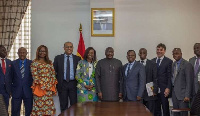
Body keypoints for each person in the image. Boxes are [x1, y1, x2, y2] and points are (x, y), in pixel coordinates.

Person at [53, 42, 81, 112]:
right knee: (63, 105)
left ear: (73, 48)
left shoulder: (77, 58)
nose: (69, 48)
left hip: (73, 84)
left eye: (71, 47)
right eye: (67, 47)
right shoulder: (58, 58)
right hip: (62, 84)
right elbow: (54, 72)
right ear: (64, 48)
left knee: (74, 105)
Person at [31, 45, 57, 116]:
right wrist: (43, 85)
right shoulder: (34, 62)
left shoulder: (49, 62)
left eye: (44, 51)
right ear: (38, 52)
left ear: (46, 52)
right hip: (39, 89)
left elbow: (53, 75)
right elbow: (35, 76)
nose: (42, 52)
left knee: (49, 108)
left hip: (48, 89)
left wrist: (50, 85)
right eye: (41, 51)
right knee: (39, 108)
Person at [152, 43, 172, 116]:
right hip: (155, 90)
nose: (159, 51)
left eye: (161, 50)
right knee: (156, 109)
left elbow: (170, 76)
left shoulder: (169, 61)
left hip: (164, 89)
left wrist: (168, 88)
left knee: (165, 109)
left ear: (164, 51)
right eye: (157, 49)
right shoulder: (152, 61)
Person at [11, 47, 33, 116]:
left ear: (26, 53)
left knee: (29, 111)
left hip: (28, 91)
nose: (22, 54)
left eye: (23, 52)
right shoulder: (13, 63)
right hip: (16, 92)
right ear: (17, 53)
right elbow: (10, 78)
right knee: (15, 111)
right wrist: (11, 90)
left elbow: (34, 77)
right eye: (20, 52)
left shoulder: (32, 63)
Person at [171, 48, 193, 116]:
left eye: (177, 53)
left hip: (183, 95)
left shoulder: (187, 64)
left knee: (183, 114)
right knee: (176, 113)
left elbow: (189, 81)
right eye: (174, 54)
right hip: (174, 95)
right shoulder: (173, 64)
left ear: (181, 54)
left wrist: (187, 95)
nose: (175, 55)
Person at [138, 48, 158, 114]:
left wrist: (155, 90)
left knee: (150, 112)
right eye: (140, 53)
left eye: (144, 53)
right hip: (139, 93)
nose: (142, 54)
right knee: (139, 112)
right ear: (138, 54)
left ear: (146, 54)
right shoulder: (136, 64)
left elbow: (155, 78)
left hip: (150, 92)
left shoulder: (152, 64)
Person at [0, 45, 12, 110]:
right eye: (2, 50)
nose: (5, 52)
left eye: (5, 50)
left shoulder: (9, 62)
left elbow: (11, 76)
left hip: (7, 90)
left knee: (5, 107)